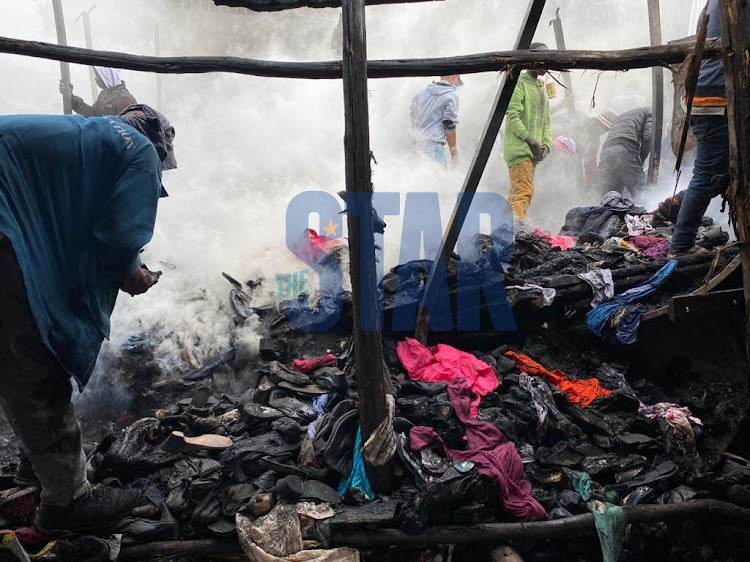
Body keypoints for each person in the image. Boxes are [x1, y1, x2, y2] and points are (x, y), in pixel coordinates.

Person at [0, 104, 176, 535]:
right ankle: (68, 504)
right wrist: (134, 273)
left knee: (13, 360)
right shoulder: (139, 150)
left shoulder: (85, 141)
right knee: (36, 366)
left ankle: (37, 473)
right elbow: (118, 238)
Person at [669, 0, 728, 257]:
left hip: (704, 92)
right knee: (707, 173)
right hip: (717, 95)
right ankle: (681, 245)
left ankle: (681, 201)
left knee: (717, 170)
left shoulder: (713, 3)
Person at [503, 43, 553, 226]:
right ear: (529, 62)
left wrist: (546, 144)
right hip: (519, 149)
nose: (546, 65)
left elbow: (546, 120)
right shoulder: (519, 84)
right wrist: (530, 140)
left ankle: (506, 226)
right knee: (524, 190)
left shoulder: (541, 87)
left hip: (532, 152)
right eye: (541, 61)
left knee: (517, 191)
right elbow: (512, 117)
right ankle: (515, 227)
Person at [589, 106, 653, 199]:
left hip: (607, 152)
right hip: (625, 150)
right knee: (642, 193)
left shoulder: (623, 116)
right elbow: (648, 137)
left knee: (601, 192)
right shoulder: (652, 112)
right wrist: (641, 159)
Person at [410, 75, 463, 165]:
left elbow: (412, 114)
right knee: (441, 176)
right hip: (434, 147)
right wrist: (454, 155)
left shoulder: (422, 92)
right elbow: (449, 124)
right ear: (454, 78)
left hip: (418, 145)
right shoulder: (451, 95)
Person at [59, 66, 138, 117]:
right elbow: (91, 114)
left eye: (98, 75)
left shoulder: (123, 100)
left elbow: (128, 132)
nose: (96, 78)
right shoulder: (104, 94)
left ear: (107, 76)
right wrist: (71, 97)